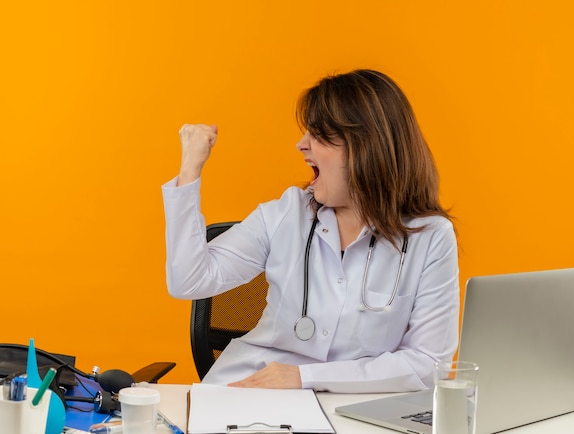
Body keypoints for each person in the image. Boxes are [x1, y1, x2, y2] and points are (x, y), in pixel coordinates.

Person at [162, 69, 459, 393]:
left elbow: (428, 364)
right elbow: (189, 280)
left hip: (348, 412)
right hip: (246, 393)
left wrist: (305, 378)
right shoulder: (287, 214)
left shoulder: (429, 238)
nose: (300, 145)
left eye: (316, 135)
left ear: (363, 146)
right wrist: (190, 170)